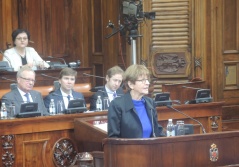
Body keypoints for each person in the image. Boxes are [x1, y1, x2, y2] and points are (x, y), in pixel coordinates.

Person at [108, 64, 165, 138]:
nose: (147, 83)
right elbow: (113, 138)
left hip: (150, 148)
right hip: (128, 149)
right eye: (142, 80)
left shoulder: (150, 103)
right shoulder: (117, 105)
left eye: (147, 80)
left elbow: (156, 130)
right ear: (131, 84)